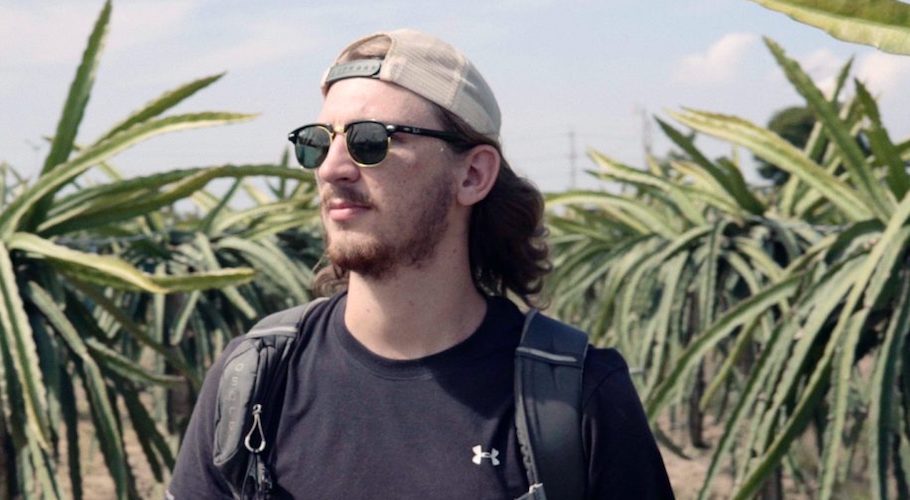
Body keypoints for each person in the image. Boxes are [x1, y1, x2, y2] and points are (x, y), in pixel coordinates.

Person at [168, 29, 674, 499]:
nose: (332, 168)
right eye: (318, 142)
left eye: (370, 140)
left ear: (472, 175)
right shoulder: (255, 382)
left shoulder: (578, 398)